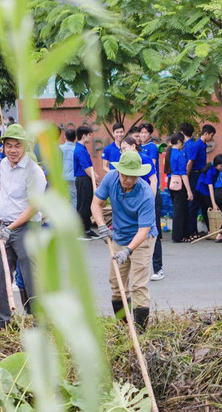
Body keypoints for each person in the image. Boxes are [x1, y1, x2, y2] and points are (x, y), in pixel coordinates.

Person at [0, 124, 47, 331]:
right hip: (4, 226)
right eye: (8, 146)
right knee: (1, 276)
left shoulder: (35, 172)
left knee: (32, 277)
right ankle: (3, 320)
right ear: (3, 147)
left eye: (17, 146)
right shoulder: (2, 164)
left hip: (26, 228)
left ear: (25, 147)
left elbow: (33, 207)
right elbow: (0, 188)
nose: (12, 150)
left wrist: (11, 227)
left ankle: (41, 321)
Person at [92, 151, 158, 331]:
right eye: (125, 175)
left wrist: (128, 251)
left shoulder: (145, 194)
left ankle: (139, 331)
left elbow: (144, 230)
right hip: (119, 236)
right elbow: (96, 204)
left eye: (133, 176)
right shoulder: (110, 178)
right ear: (119, 171)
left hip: (142, 239)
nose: (128, 179)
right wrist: (102, 225)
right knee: (116, 284)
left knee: (138, 285)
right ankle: (124, 327)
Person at [139, 123, 162, 279]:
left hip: (151, 194)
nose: (143, 135)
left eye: (145, 133)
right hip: (139, 195)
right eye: (141, 133)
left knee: (153, 230)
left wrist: (151, 196)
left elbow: (151, 171)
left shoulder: (151, 148)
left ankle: (158, 268)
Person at [185, 124, 216, 238]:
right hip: (195, 175)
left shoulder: (202, 145)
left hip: (201, 174)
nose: (211, 138)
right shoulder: (197, 145)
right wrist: (187, 178)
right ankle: (192, 231)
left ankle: (208, 229)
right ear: (206, 133)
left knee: (201, 202)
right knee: (193, 203)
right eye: (211, 135)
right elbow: (190, 162)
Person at [165, 132, 193, 243]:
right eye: (183, 142)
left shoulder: (169, 153)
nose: (183, 145)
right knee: (180, 210)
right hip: (179, 183)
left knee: (177, 208)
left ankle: (178, 235)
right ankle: (179, 235)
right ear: (179, 142)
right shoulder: (179, 154)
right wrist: (189, 190)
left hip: (171, 181)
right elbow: (183, 173)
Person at [74, 125, 99, 240]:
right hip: (83, 179)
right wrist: (95, 177)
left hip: (86, 178)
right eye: (89, 135)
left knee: (87, 203)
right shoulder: (79, 149)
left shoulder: (82, 148)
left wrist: (94, 176)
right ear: (84, 136)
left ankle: (87, 229)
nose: (90, 137)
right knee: (83, 205)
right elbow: (86, 168)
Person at [200, 154, 222, 242]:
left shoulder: (217, 170)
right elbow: (210, 188)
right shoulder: (210, 171)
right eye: (221, 166)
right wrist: (214, 204)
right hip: (204, 190)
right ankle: (211, 231)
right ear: (216, 165)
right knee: (208, 209)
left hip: (211, 189)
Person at [59, 128, 77, 205]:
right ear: (75, 138)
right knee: (74, 200)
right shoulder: (77, 149)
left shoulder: (59, 148)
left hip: (61, 178)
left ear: (64, 137)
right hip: (73, 179)